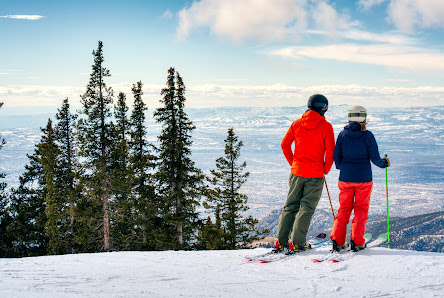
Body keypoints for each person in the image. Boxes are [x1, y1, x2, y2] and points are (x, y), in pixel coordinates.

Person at [273, 94, 335, 254]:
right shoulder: (326, 127)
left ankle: (280, 242)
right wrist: (325, 169)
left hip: (297, 172)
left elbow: (284, 145)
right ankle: (298, 243)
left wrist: (294, 163)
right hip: (315, 174)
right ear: (324, 108)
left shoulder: (297, 124)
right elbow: (330, 152)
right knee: (306, 208)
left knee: (290, 207)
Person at [330, 105, 390, 252]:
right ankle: (357, 242)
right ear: (364, 117)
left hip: (345, 177)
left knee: (344, 209)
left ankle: (337, 241)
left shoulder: (342, 135)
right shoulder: (368, 135)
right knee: (361, 209)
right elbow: (375, 158)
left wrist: (344, 168)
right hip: (364, 179)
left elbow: (337, 159)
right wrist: (384, 164)